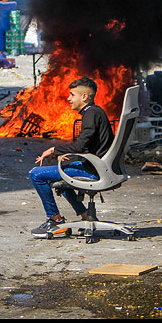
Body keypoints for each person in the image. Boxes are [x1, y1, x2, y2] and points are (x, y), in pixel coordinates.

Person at [29, 76, 114, 238]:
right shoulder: (95, 112)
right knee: (64, 176)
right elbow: (87, 146)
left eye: (72, 94)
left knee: (36, 174)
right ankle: (85, 216)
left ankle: (55, 220)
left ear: (84, 97)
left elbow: (81, 145)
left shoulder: (91, 114)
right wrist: (66, 153)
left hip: (94, 171)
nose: (69, 98)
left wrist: (55, 149)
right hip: (98, 167)